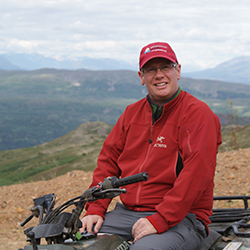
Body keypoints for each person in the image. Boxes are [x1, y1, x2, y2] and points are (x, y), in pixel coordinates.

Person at [80, 42, 222, 250]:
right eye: (151, 70)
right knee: (74, 242)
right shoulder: (131, 113)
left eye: (166, 67)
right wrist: (95, 208)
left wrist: (160, 219)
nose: (159, 75)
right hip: (126, 213)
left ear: (178, 71)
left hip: (182, 218)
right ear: (141, 77)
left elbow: (197, 173)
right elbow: (108, 163)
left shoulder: (198, 114)